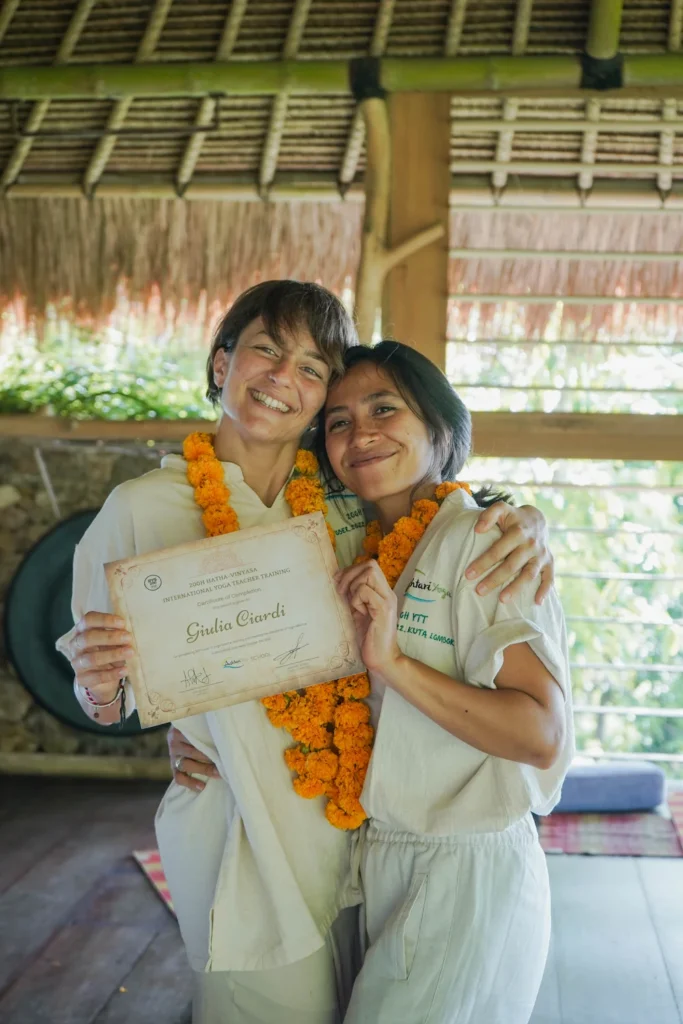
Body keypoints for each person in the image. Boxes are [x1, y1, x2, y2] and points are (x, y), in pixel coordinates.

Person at [57, 282, 555, 1024]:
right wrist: (109, 693)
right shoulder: (142, 509)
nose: (282, 378)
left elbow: (435, 521)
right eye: (265, 349)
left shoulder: (343, 504)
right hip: (242, 836)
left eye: (312, 367)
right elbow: (106, 690)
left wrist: (524, 516)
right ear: (222, 362)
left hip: (359, 844)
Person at [321, 341, 574, 1024]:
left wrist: (394, 664)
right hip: (379, 857)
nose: (360, 433)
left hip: (466, 865)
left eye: (383, 408)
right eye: (337, 421)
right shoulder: (350, 548)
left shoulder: (485, 540)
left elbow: (538, 733)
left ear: (438, 426)